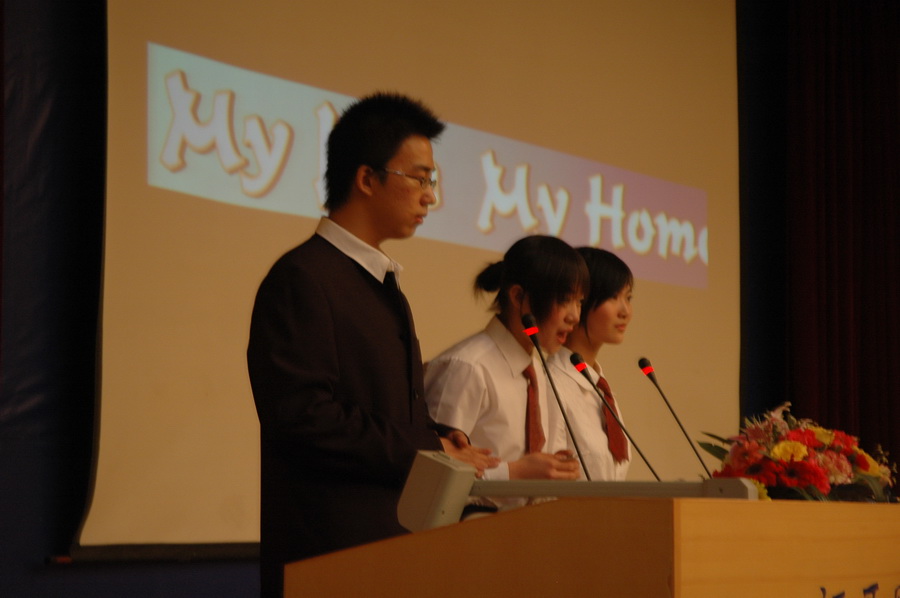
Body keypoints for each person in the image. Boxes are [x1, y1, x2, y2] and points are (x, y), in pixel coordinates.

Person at [247, 92, 497, 598]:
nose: (430, 197)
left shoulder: (380, 283)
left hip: (391, 548)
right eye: (420, 178)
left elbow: (383, 409)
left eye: (432, 181)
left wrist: (441, 434)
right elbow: (304, 418)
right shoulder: (302, 278)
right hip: (329, 555)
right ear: (366, 178)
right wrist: (428, 448)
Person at [424, 235, 588, 490]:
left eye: (579, 302)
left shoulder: (537, 372)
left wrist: (553, 471)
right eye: (564, 300)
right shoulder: (467, 367)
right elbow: (430, 475)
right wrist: (515, 472)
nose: (575, 316)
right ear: (518, 296)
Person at [548, 247, 634, 481]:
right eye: (613, 297)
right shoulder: (552, 384)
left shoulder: (601, 389)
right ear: (580, 302)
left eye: (628, 298)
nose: (625, 311)